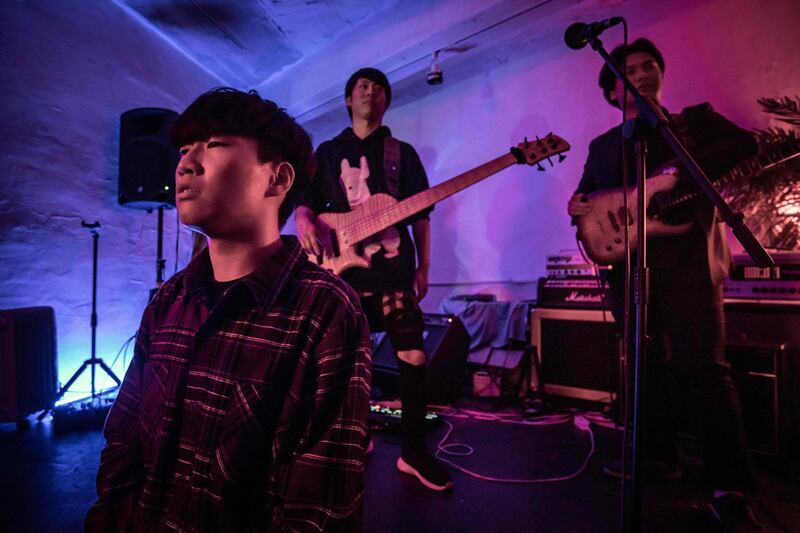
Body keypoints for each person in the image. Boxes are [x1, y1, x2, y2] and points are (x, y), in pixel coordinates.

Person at [85, 88, 371, 532]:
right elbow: (123, 439)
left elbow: (319, 509)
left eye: (213, 145)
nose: (185, 163)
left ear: (276, 180)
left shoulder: (326, 310)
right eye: (184, 149)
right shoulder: (168, 299)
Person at [567, 39, 761, 531]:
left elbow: (746, 144)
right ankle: (656, 456)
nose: (642, 73)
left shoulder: (692, 122)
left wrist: (671, 171)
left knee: (704, 366)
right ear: (613, 92)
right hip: (631, 267)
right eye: (629, 69)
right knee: (643, 365)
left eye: (649, 65)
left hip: (690, 261)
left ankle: (731, 485)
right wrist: (578, 205)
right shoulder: (604, 146)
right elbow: (587, 198)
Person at [295, 68, 453, 492]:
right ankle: (353, 437)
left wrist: (424, 268)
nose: (371, 92)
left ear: (387, 102)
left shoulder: (401, 154)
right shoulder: (326, 152)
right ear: (348, 100)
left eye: (379, 88)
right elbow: (304, 205)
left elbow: (421, 214)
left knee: (413, 354)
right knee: (343, 362)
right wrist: (303, 218)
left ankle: (415, 453)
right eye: (363, 87)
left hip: (394, 271)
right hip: (340, 272)